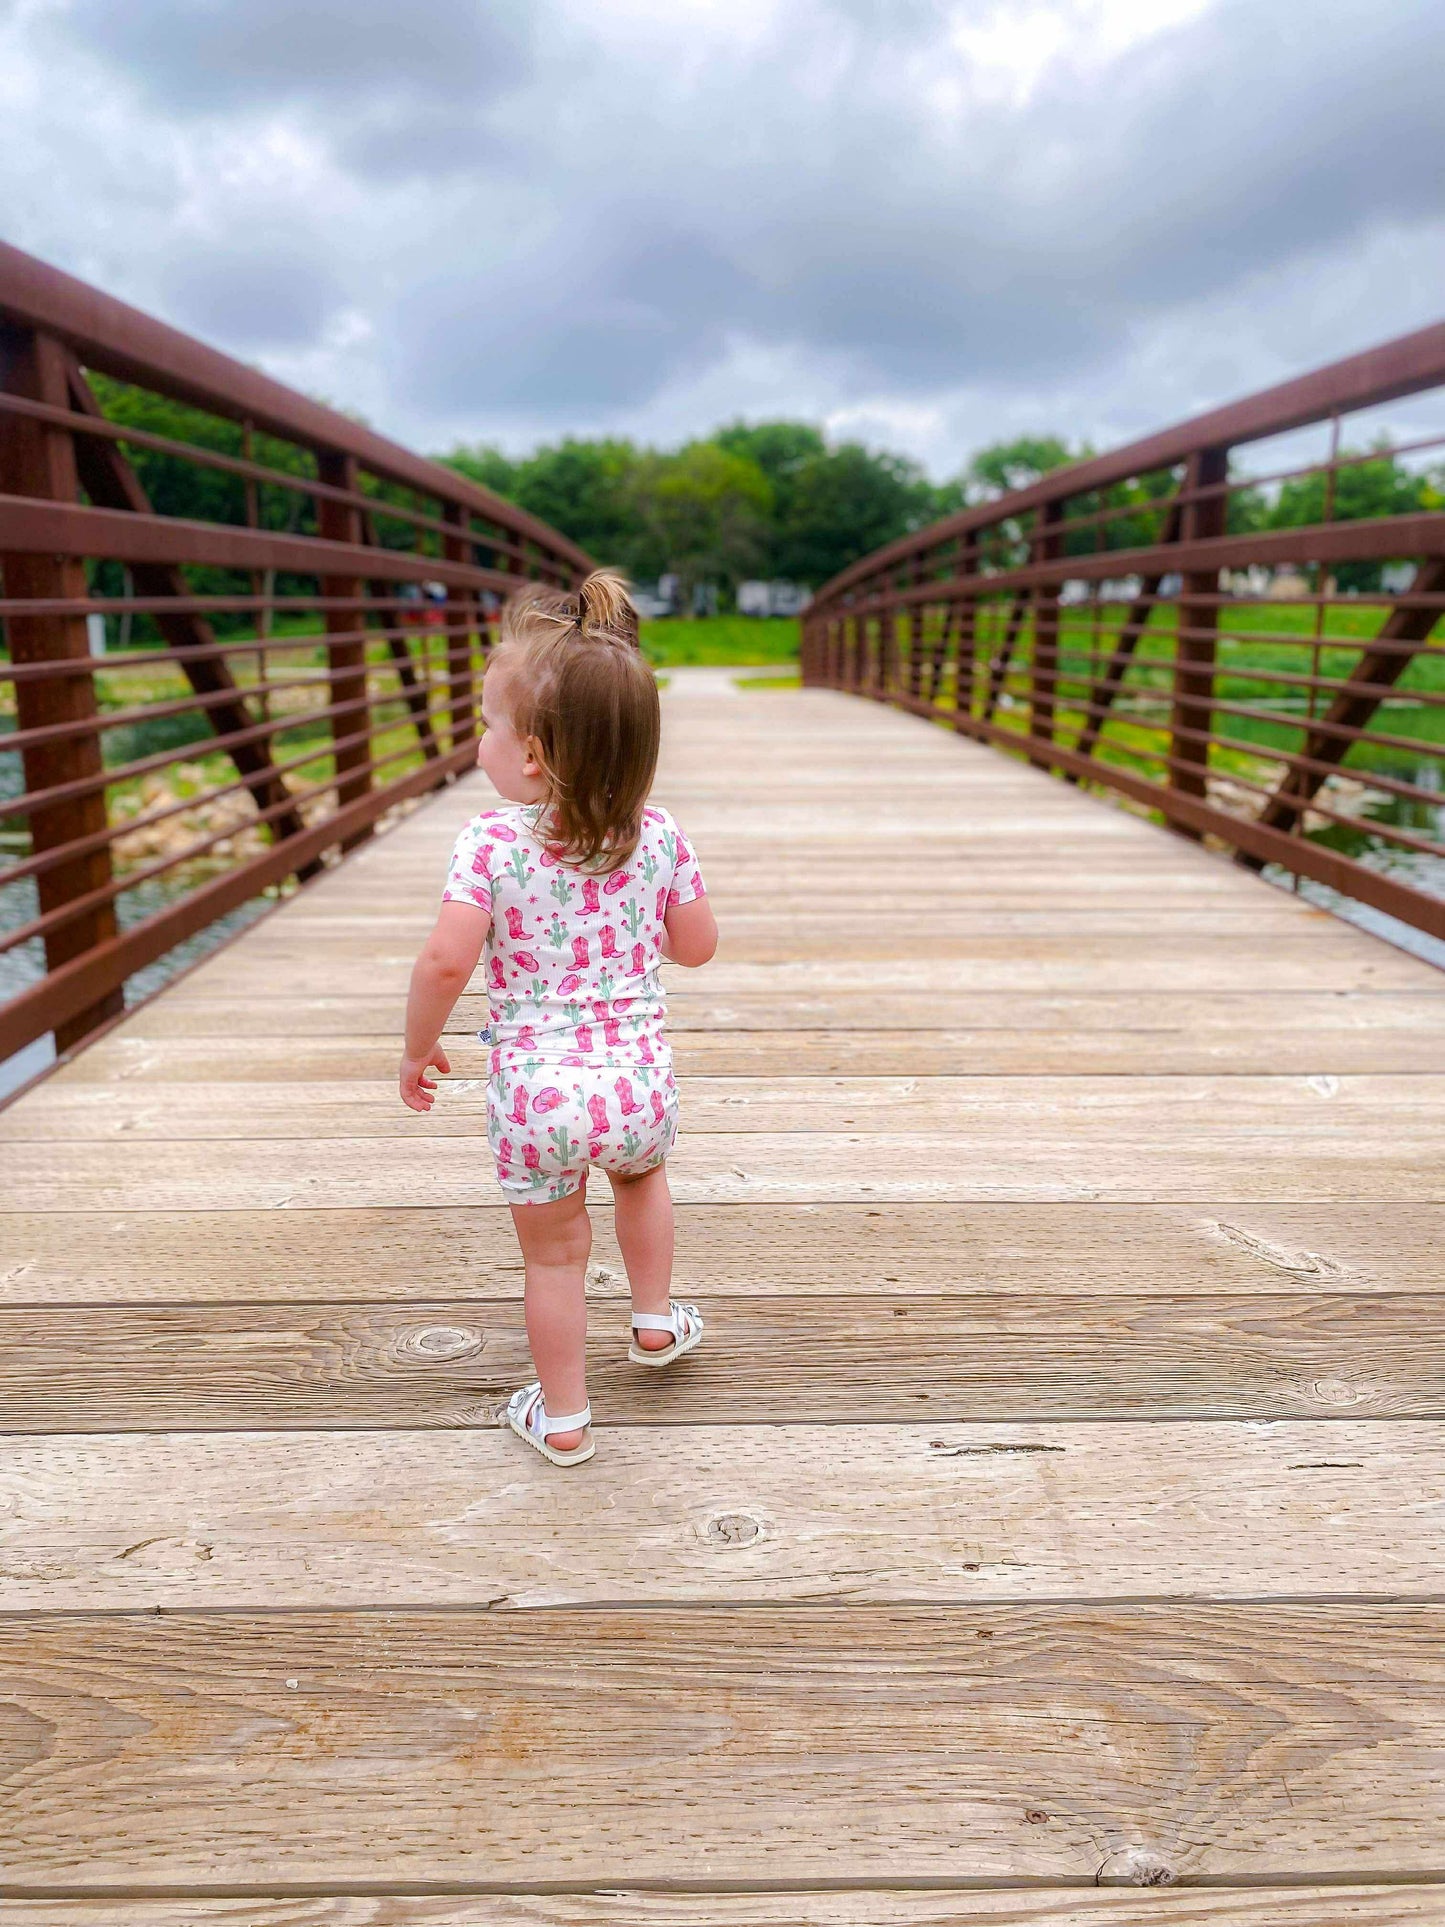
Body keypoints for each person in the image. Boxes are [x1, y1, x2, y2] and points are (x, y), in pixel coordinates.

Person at [398, 570, 718, 1467]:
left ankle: (567, 1417)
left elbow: (445, 960)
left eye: (488, 723)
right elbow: (696, 946)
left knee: (553, 1260)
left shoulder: (489, 845)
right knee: (641, 1182)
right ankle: (654, 1322)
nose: (478, 737)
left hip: (536, 1096)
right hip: (636, 1086)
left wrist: (418, 1049)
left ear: (532, 754)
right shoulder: (658, 835)